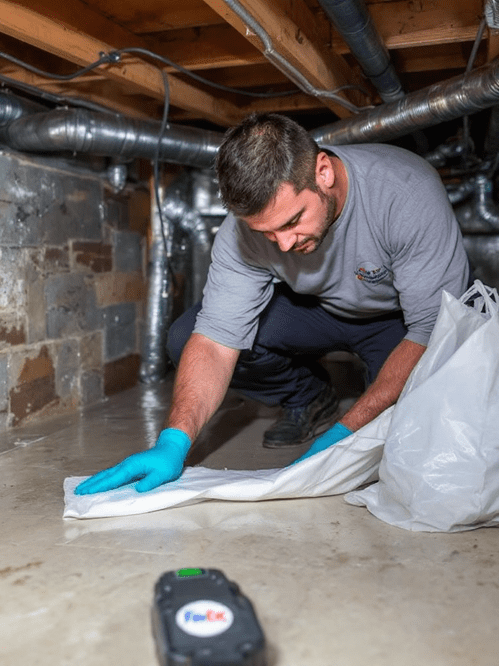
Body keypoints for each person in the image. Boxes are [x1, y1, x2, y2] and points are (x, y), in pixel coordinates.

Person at [75, 112, 470, 496]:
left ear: (323, 173)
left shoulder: (404, 193)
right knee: (186, 338)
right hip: (314, 309)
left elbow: (429, 332)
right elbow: (215, 340)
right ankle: (309, 397)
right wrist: (174, 440)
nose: (284, 245)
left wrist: (346, 434)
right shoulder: (242, 234)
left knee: (414, 429)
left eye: (292, 221)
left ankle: (350, 414)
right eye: (267, 232)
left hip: (398, 321)